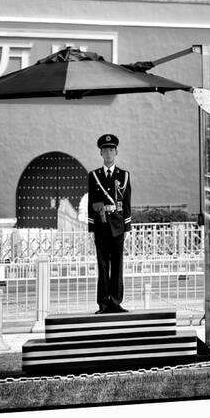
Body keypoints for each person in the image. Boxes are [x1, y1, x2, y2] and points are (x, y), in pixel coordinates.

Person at [87, 134, 132, 314]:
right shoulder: (94, 176)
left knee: (118, 266)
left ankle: (116, 302)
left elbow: (127, 203)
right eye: (105, 150)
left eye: (111, 150)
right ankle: (103, 303)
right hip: (101, 226)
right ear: (100, 153)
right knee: (103, 266)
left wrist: (127, 228)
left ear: (116, 152)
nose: (108, 153)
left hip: (118, 227)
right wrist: (91, 228)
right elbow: (91, 203)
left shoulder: (124, 175)